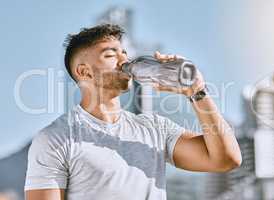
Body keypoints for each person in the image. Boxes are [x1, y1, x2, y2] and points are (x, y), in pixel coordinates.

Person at [24, 24, 242, 200]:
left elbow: (225, 160)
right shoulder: (56, 139)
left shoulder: (154, 128)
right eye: (111, 55)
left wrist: (197, 90)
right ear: (84, 72)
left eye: (125, 53)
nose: (124, 61)